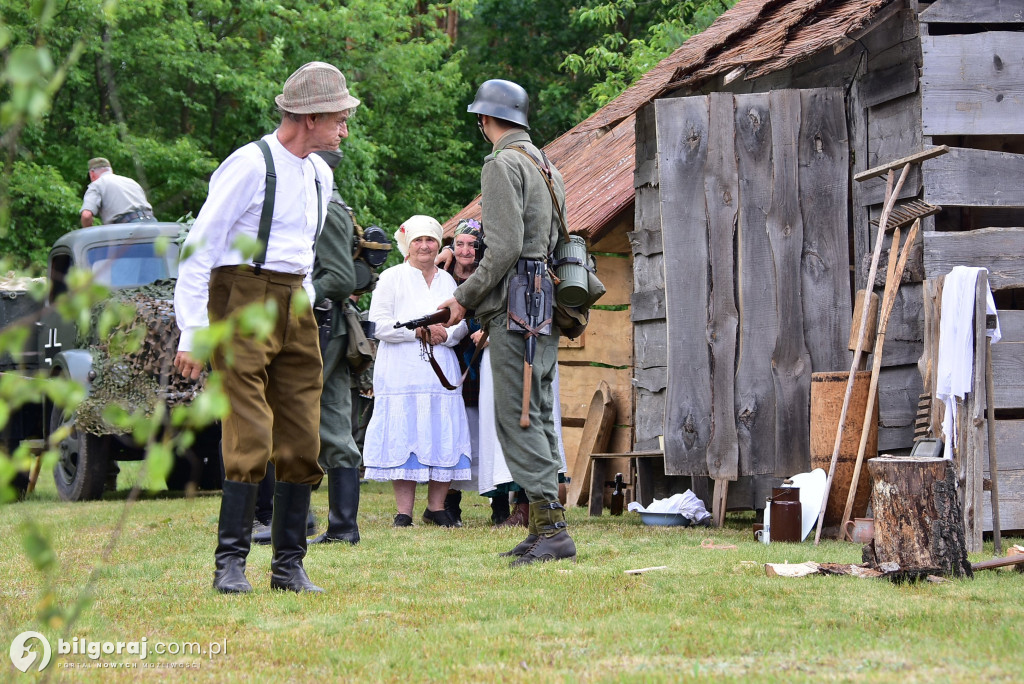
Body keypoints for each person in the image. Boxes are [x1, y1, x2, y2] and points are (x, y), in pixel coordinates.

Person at [173, 61, 359, 594]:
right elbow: (199, 248)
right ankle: (229, 564)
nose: (344, 129)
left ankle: (288, 566)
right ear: (310, 116)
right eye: (339, 119)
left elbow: (304, 251)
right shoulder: (249, 165)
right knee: (249, 429)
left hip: (294, 301)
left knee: (302, 431)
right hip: (242, 295)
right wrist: (193, 331)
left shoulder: (321, 174)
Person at [439, 79, 576, 566]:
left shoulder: (502, 163)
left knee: (516, 418)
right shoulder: (546, 166)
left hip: (515, 302)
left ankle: (553, 531)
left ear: (484, 121)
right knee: (534, 411)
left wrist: (462, 298)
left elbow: (504, 248)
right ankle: (544, 528)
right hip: (541, 300)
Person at [363, 215, 472, 528]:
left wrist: (444, 334)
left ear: (438, 243)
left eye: (430, 240)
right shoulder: (392, 278)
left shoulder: (448, 281)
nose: (425, 246)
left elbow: (461, 323)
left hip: (440, 371)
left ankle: (437, 507)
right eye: (418, 240)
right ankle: (404, 511)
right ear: (407, 246)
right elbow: (379, 325)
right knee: (405, 430)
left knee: (441, 430)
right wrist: (417, 332)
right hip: (401, 369)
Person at [308, 146, 364, 545]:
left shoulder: (324, 205)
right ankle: (342, 526)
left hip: (322, 326)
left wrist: (298, 295)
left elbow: (341, 277)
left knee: (291, 415)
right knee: (334, 422)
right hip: (331, 327)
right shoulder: (331, 202)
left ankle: (328, 524)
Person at [80, 158, 156, 227]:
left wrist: (89, 234)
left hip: (127, 228)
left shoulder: (97, 184)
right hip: (152, 223)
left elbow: (86, 215)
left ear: (92, 173)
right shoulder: (131, 182)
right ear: (111, 170)